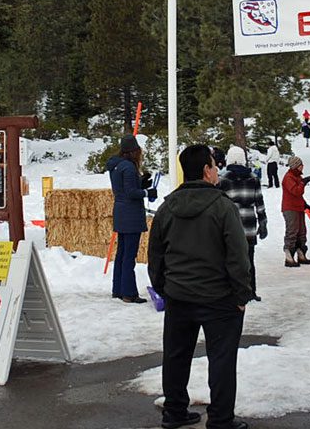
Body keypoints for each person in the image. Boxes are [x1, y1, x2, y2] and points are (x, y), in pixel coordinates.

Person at [147, 144, 251, 429]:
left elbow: (154, 255)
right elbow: (238, 256)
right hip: (219, 298)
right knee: (221, 360)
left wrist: (163, 288)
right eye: (214, 165)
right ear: (206, 170)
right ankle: (220, 419)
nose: (217, 170)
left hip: (179, 295)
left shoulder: (167, 208)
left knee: (176, 357)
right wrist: (242, 294)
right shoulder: (223, 207)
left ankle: (174, 412)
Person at [106, 134, 156, 304]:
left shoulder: (117, 166)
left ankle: (118, 289)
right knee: (129, 256)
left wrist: (141, 183)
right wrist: (147, 192)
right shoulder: (128, 167)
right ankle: (129, 293)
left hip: (121, 212)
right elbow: (130, 192)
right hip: (131, 214)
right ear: (133, 151)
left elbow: (124, 188)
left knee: (121, 254)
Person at [219, 146, 267, 302]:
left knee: (231, 260)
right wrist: (263, 222)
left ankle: (232, 291)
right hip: (249, 225)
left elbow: (219, 204)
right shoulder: (253, 178)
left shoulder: (223, 179)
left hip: (230, 226)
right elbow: (259, 202)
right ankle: (251, 290)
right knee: (249, 260)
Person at [281, 155, 310, 267]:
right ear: (296, 166)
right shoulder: (288, 177)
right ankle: (289, 256)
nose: (302, 167)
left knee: (302, 231)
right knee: (292, 231)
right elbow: (296, 191)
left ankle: (301, 254)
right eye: (300, 165)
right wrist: (303, 182)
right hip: (290, 208)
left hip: (298, 207)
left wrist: (304, 203)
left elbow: (298, 195)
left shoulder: (297, 176)